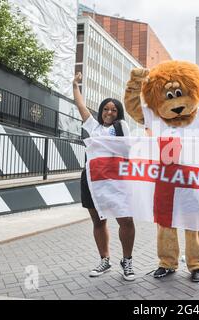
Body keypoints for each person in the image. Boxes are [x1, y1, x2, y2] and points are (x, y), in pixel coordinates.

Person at [73, 73, 136, 281]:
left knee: (125, 220)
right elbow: (81, 107)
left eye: (114, 109)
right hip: (92, 179)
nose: (109, 112)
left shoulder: (121, 127)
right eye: (106, 109)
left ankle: (127, 261)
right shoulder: (93, 127)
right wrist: (75, 86)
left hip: (116, 180)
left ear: (118, 113)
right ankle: (105, 260)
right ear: (101, 111)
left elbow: (129, 150)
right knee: (98, 221)